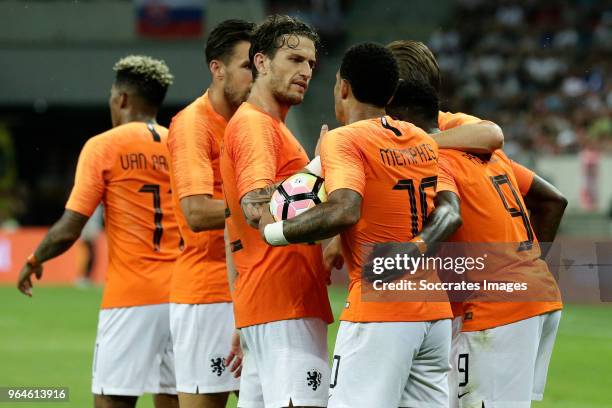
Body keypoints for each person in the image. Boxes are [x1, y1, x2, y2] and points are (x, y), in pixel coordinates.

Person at [386, 39, 567, 407]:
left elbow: (447, 216)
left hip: (494, 310)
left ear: (394, 99)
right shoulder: (467, 135)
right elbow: (552, 201)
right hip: (531, 298)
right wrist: (524, 273)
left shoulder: (428, 157)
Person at [17, 55, 180, 408]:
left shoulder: (104, 145)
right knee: (172, 399)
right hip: (183, 296)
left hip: (131, 297)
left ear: (122, 99)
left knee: (112, 401)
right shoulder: (179, 145)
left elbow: (70, 227)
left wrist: (34, 258)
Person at [220, 15, 333, 408]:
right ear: (261, 62)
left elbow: (229, 230)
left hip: (263, 307)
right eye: (294, 58)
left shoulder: (267, 126)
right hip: (287, 307)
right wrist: (319, 169)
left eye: (310, 64)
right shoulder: (256, 127)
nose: (305, 71)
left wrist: (241, 314)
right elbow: (256, 211)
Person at [166, 19, 254, 408]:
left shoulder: (252, 123)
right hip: (209, 296)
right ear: (217, 69)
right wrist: (265, 209)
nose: (258, 75)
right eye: (249, 66)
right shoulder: (193, 125)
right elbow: (196, 211)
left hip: (251, 288)